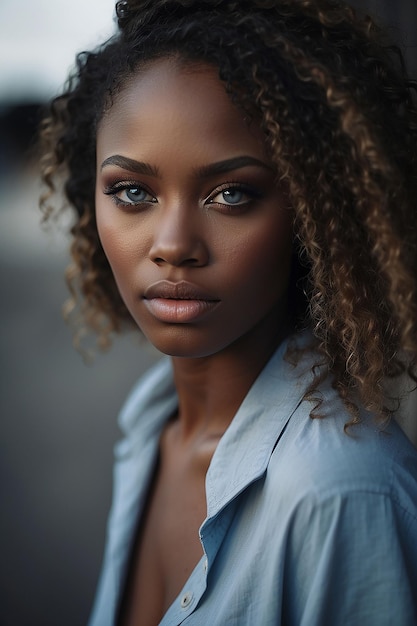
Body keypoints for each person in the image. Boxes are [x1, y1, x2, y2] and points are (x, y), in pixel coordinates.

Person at [38, 0, 417, 624]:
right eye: (133, 192)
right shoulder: (150, 431)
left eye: (231, 194)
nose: (172, 244)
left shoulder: (341, 493)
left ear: (316, 210)